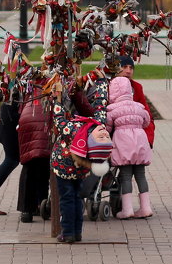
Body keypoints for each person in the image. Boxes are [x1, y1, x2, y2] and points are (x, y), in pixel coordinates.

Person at [50, 95, 110, 243]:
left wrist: (57, 101)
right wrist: (102, 82)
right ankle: (77, 232)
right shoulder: (97, 125)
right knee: (77, 198)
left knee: (67, 200)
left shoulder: (73, 127)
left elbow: (58, 119)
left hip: (63, 167)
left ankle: (68, 233)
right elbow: (101, 107)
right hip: (81, 170)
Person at [106, 76, 154, 219]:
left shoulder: (112, 109)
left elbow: (108, 127)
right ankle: (146, 207)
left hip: (123, 144)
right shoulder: (139, 107)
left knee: (126, 176)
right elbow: (146, 121)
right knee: (141, 175)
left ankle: (127, 209)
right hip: (140, 142)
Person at [16, 93, 53, 223]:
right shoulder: (63, 81)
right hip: (47, 121)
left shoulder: (31, 83)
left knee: (30, 163)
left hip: (27, 119)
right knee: (46, 164)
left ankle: (26, 210)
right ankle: (41, 203)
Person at [116, 56, 155, 148]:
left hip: (136, 141)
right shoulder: (106, 86)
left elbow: (148, 117)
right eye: (124, 67)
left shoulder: (137, 88)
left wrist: (148, 141)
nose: (128, 71)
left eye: (131, 68)